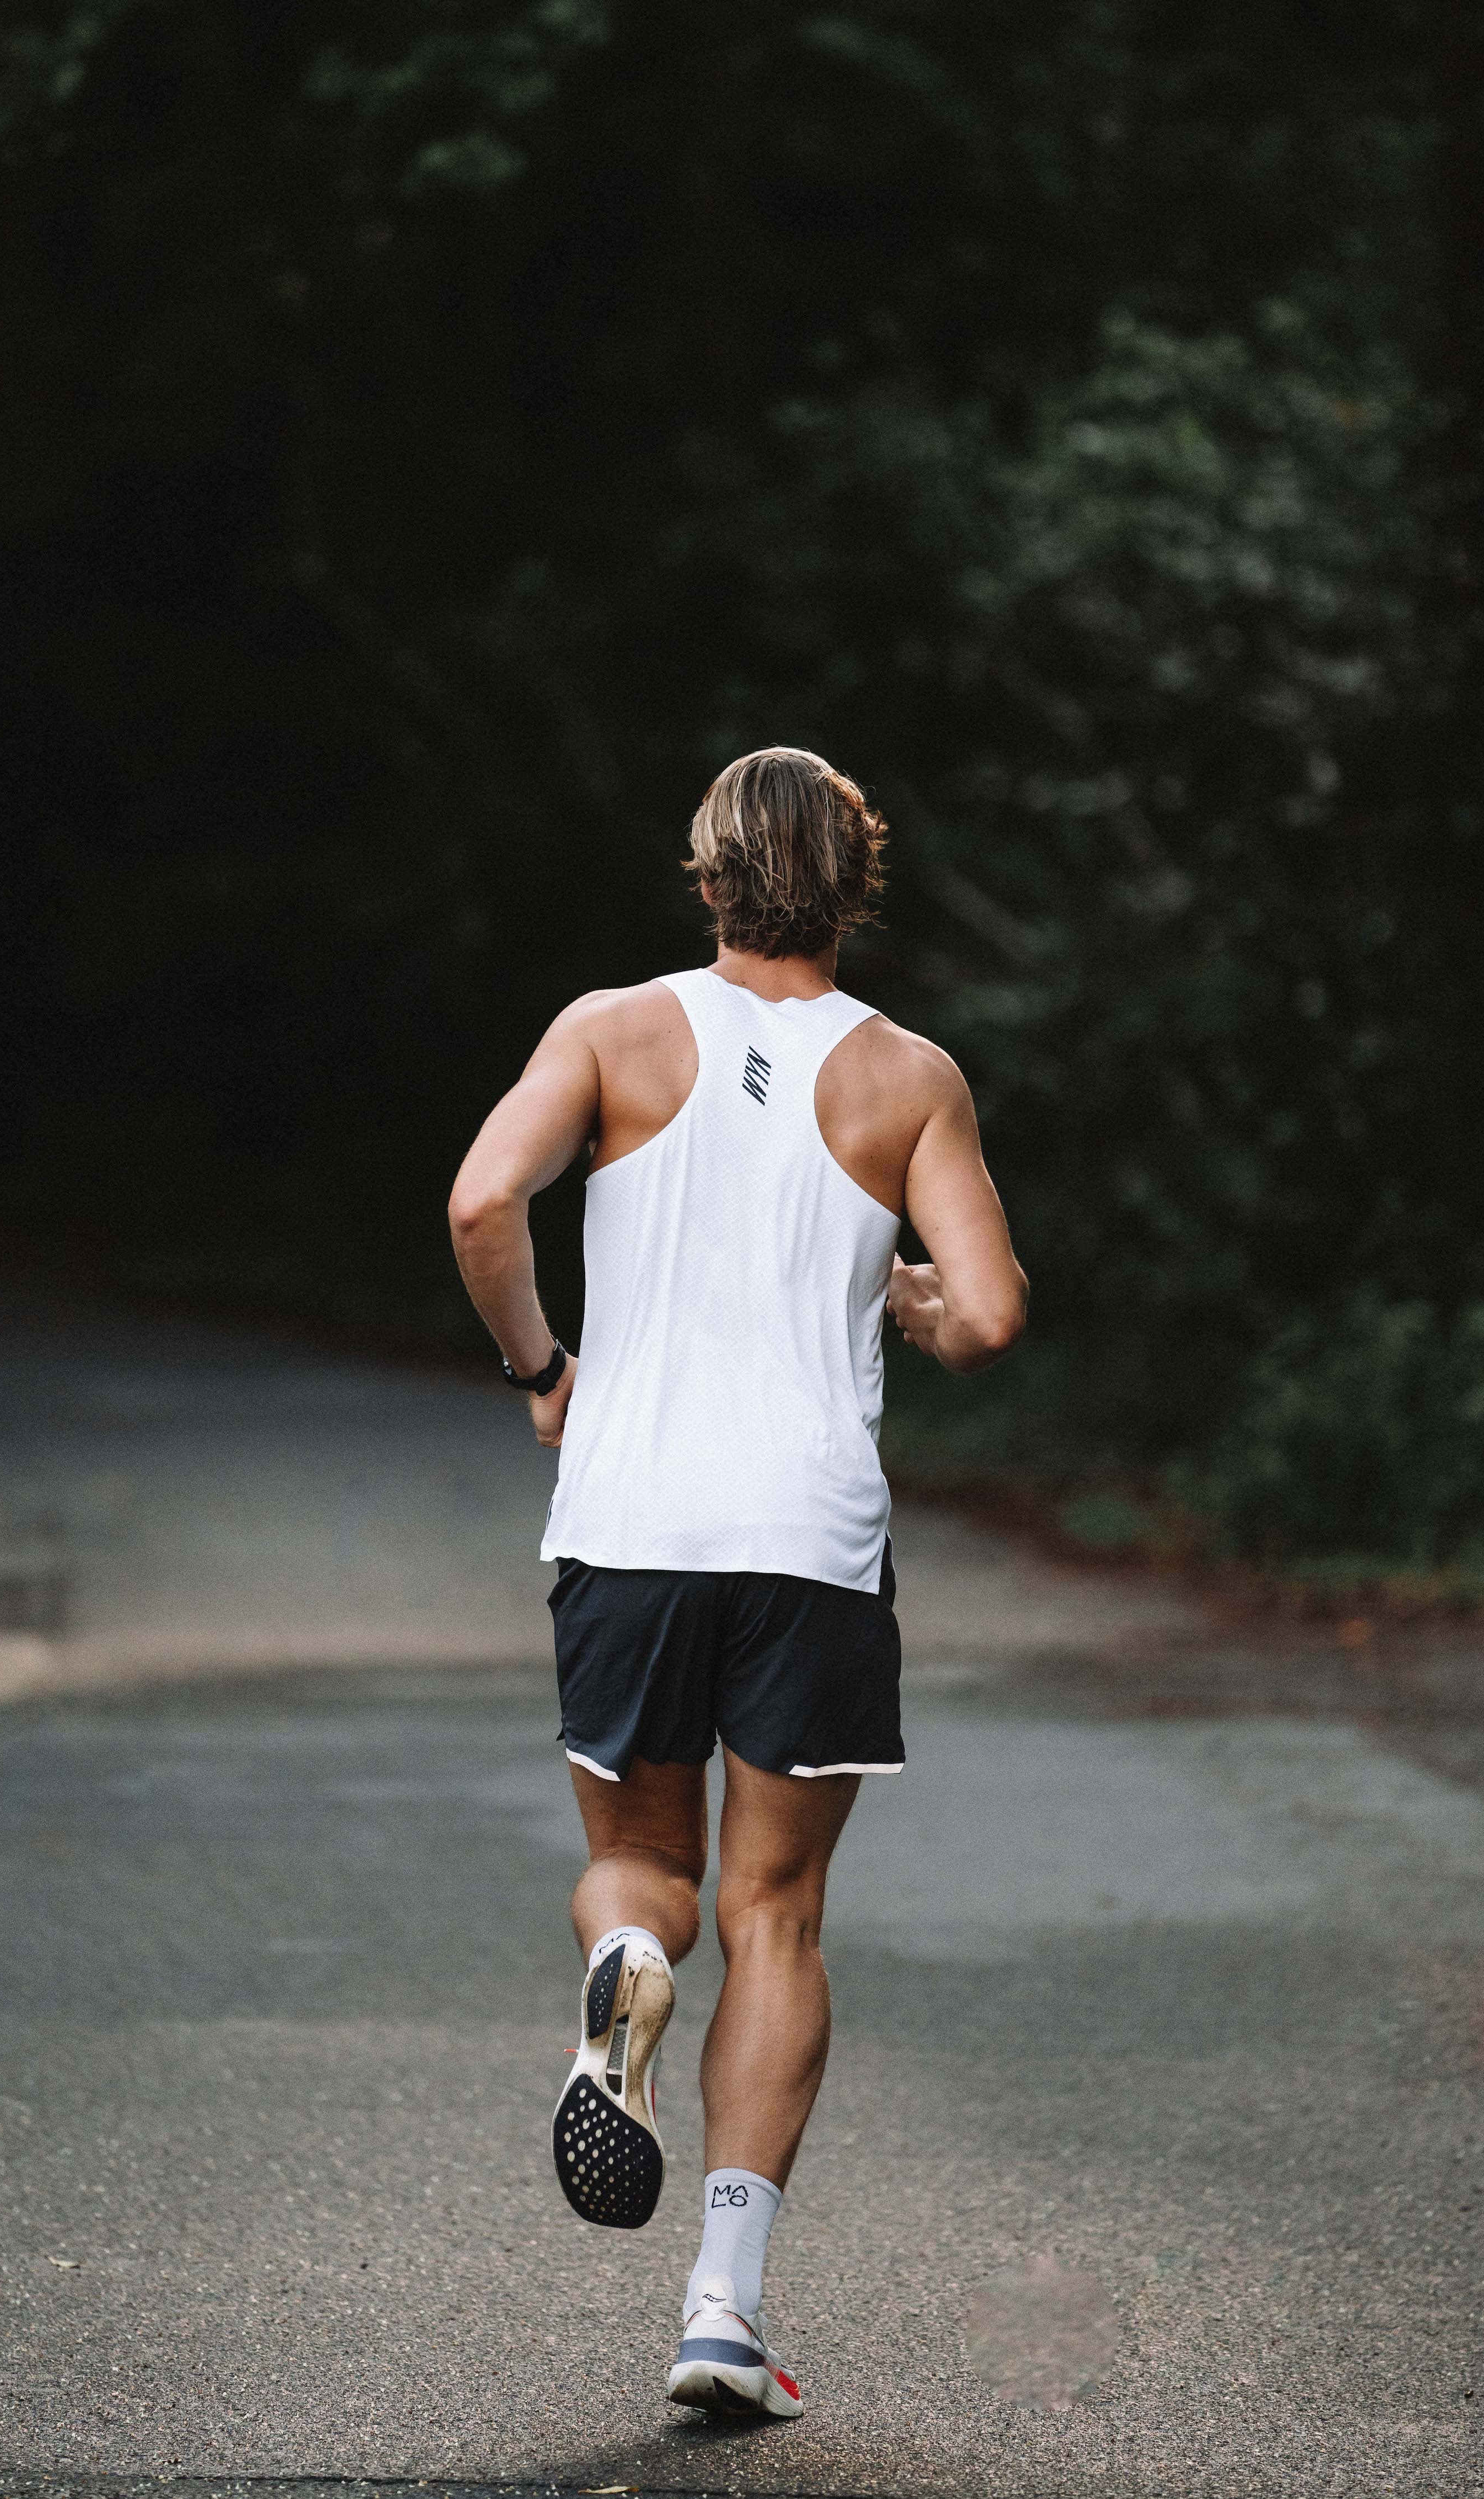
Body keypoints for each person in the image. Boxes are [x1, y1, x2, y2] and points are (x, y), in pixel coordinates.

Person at [447, 747, 1027, 2419]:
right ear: (857, 887)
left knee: (644, 1865)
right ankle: (721, 2310)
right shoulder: (908, 1074)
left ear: (707, 878)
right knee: (778, 1913)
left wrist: (541, 1369)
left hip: (630, 1523)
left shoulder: (611, 1029)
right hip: (811, 1541)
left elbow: (487, 1195)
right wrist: (914, 1308)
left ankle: (622, 1975)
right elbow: (984, 1312)